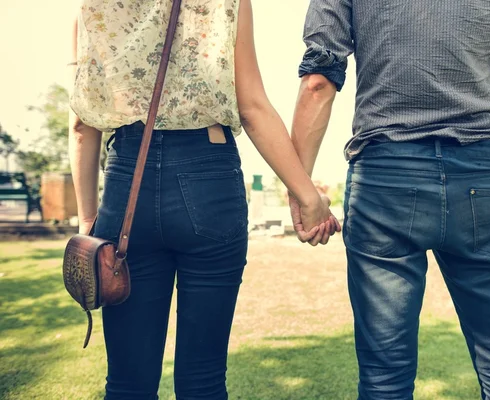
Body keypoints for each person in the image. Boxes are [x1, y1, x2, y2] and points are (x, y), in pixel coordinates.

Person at [289, 0, 490, 399]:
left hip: (385, 180)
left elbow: (318, 80)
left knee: (385, 379)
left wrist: (301, 187)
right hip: (483, 180)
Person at [68, 0, 339, 398]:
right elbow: (252, 107)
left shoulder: (92, 7)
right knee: (204, 380)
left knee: (127, 383)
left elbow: (81, 124)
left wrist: (88, 219)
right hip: (208, 179)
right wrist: (307, 196)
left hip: (127, 183)